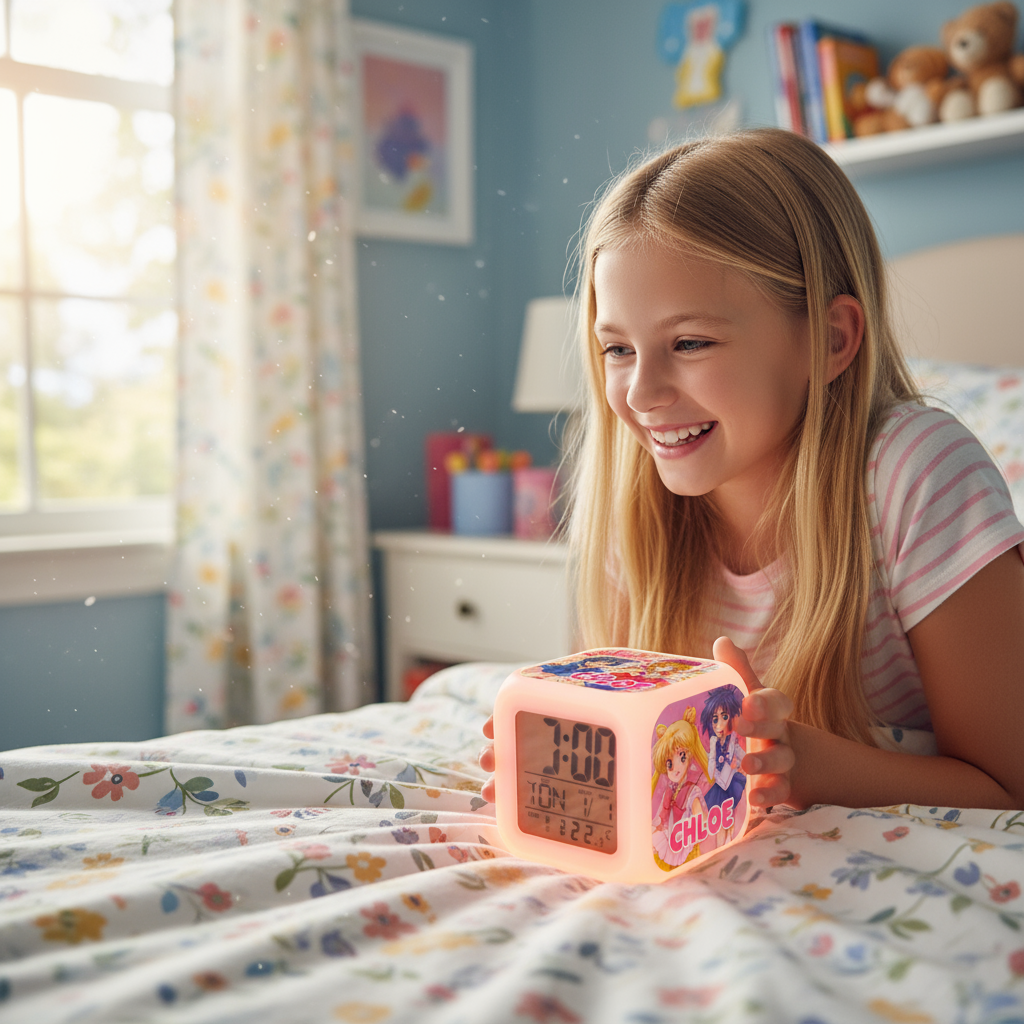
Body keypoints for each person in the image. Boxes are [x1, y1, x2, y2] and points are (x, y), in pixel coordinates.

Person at [481, 128, 1024, 812]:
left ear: (831, 340)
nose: (642, 394)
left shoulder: (917, 473)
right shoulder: (636, 500)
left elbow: (1011, 783)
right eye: (617, 349)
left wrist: (811, 766)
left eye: (690, 342)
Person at [651, 707, 711, 868]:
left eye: (681, 757)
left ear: (690, 756)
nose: (675, 767)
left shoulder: (693, 792)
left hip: (685, 843)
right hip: (670, 837)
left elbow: (702, 821)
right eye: (669, 763)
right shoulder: (669, 791)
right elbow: (661, 817)